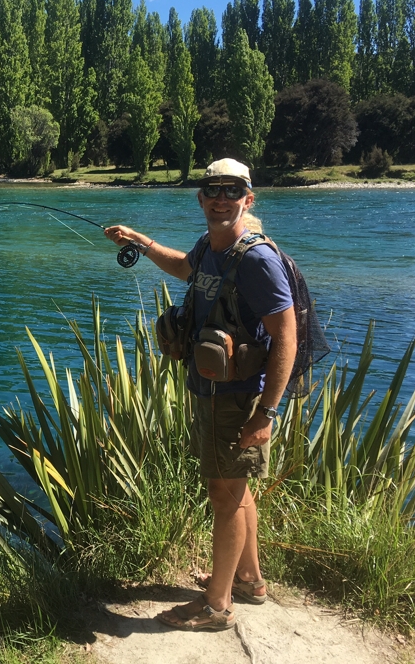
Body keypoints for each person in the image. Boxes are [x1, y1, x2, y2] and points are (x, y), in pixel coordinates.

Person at [104, 158, 297, 631]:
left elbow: (286, 335)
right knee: (237, 487)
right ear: (201, 198)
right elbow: (186, 269)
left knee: (223, 494)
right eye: (212, 189)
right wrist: (143, 243)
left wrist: (267, 412)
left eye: (232, 191)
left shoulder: (256, 259)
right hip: (212, 391)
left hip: (239, 398)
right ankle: (249, 580)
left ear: (247, 200)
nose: (220, 198)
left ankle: (216, 606)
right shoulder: (211, 248)